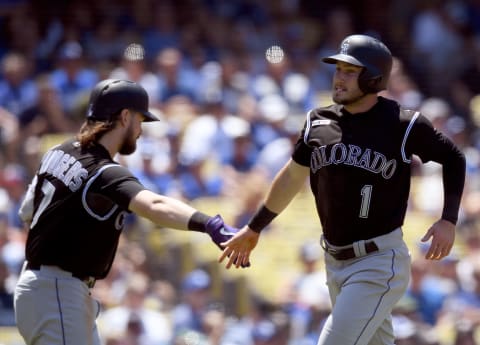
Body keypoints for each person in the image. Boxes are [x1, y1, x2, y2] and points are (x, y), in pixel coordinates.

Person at [220, 34, 466, 345]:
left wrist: (449, 219)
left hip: (378, 261)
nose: (339, 78)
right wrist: (255, 227)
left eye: (350, 72)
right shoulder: (317, 122)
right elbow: (291, 177)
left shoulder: (402, 124)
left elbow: (454, 158)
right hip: (334, 262)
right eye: (338, 70)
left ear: (373, 78)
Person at [13, 79, 239, 345]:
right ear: (124, 117)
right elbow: (154, 205)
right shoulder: (104, 171)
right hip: (57, 291)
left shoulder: (56, 151)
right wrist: (209, 224)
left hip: (44, 287)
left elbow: (26, 212)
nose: (140, 130)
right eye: (140, 120)